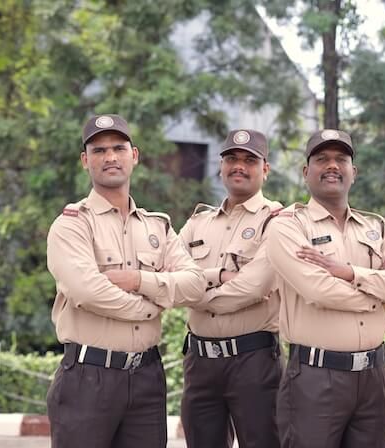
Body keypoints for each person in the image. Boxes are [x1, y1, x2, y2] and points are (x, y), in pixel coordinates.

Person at [45, 114, 205, 448]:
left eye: (118, 148)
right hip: (88, 378)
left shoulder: (157, 227)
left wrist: (138, 280)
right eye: (99, 150)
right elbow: (87, 291)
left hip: (147, 376)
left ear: (134, 156)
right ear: (85, 160)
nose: (110, 157)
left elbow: (194, 284)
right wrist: (152, 306)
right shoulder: (72, 224)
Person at [266, 129, 385, 448]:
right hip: (315, 377)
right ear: (306, 171)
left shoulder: (376, 227)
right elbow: (318, 290)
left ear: (354, 171)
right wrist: (380, 290)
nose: (332, 166)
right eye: (322, 159)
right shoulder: (288, 225)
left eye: (341, 159)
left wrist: (351, 273)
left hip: (373, 378)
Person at [176, 129, 283, 448]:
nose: (239, 166)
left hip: (254, 361)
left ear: (265, 169)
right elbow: (169, 279)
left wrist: (194, 292)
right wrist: (219, 275)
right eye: (232, 159)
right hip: (199, 362)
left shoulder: (278, 221)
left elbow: (253, 287)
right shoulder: (197, 223)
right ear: (221, 166)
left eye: (250, 160)